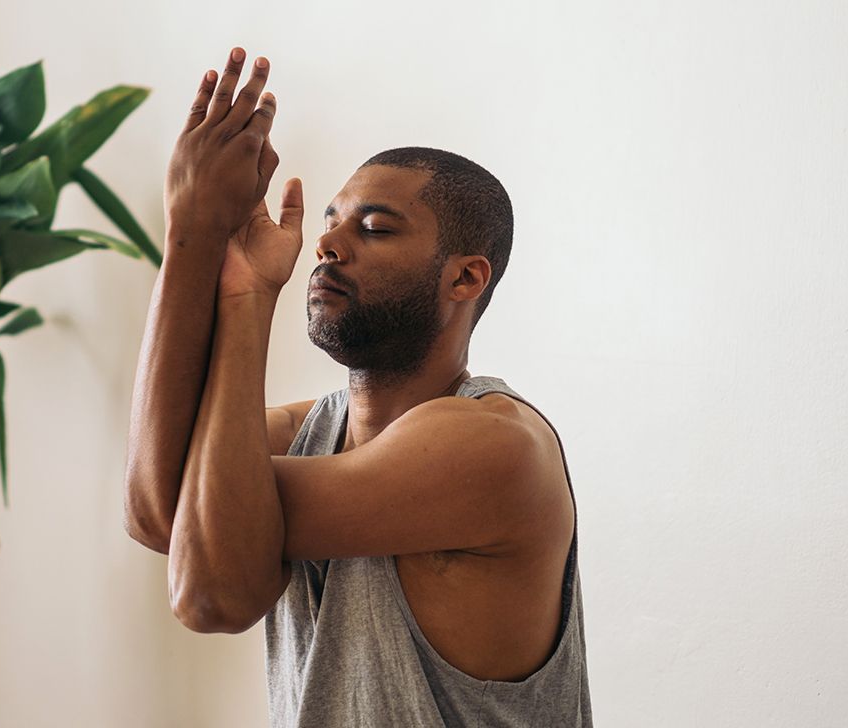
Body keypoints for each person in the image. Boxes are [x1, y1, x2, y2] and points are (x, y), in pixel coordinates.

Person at [123, 46, 592, 728]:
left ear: (464, 279)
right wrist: (190, 231)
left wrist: (248, 297)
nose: (329, 244)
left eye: (373, 228)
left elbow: (212, 592)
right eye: (331, 222)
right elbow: (155, 513)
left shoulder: (492, 446)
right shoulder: (310, 431)